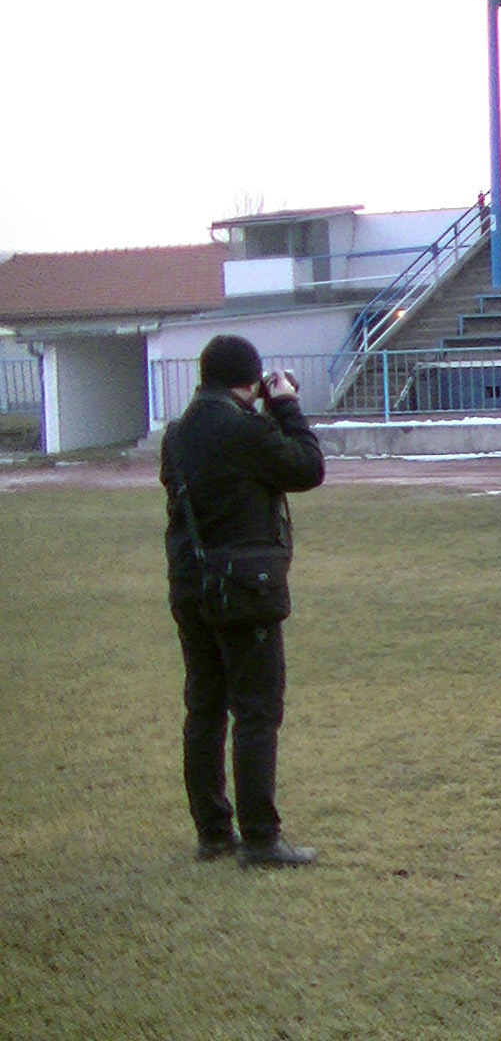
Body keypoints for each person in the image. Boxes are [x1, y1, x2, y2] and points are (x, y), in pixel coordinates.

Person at [161, 334, 325, 867]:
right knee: (256, 712)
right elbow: (307, 467)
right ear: (251, 380)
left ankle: (213, 832)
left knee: (204, 708)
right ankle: (260, 839)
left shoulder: (178, 434)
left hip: (192, 583)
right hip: (245, 588)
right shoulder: (246, 429)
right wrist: (286, 406)